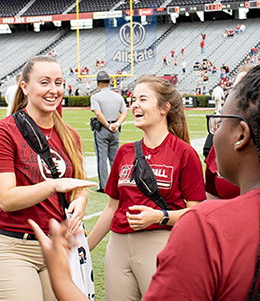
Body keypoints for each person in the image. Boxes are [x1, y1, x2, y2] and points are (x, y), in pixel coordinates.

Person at [0, 55, 96, 301]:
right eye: (44, 82)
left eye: (58, 82)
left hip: (57, 249)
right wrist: (53, 185)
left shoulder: (70, 135)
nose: (53, 90)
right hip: (13, 247)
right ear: (24, 86)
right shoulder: (3, 132)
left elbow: (76, 185)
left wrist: (81, 199)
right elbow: (6, 199)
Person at [87, 75, 205, 301]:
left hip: (160, 244)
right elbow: (112, 208)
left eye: (143, 99)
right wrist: (84, 249)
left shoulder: (184, 153)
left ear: (164, 108)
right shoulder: (125, 152)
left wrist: (159, 216)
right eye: (133, 99)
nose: (134, 105)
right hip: (118, 246)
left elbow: (195, 213)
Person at [91, 70, 127, 192]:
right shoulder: (118, 96)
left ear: (98, 83)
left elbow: (98, 113)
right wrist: (117, 123)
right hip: (115, 130)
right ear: (109, 83)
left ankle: (104, 186)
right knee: (114, 158)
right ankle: (118, 183)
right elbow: (124, 112)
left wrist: (107, 125)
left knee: (102, 158)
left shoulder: (96, 97)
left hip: (102, 129)